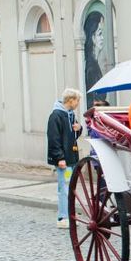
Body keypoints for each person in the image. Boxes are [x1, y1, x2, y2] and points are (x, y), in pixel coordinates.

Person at [46, 88, 83, 228]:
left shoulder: (71, 115)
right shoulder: (56, 116)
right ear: (71, 100)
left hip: (71, 158)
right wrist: (60, 158)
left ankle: (70, 214)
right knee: (64, 187)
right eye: (77, 100)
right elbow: (54, 139)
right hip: (64, 160)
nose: (78, 103)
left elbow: (73, 135)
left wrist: (79, 128)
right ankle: (63, 217)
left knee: (70, 186)